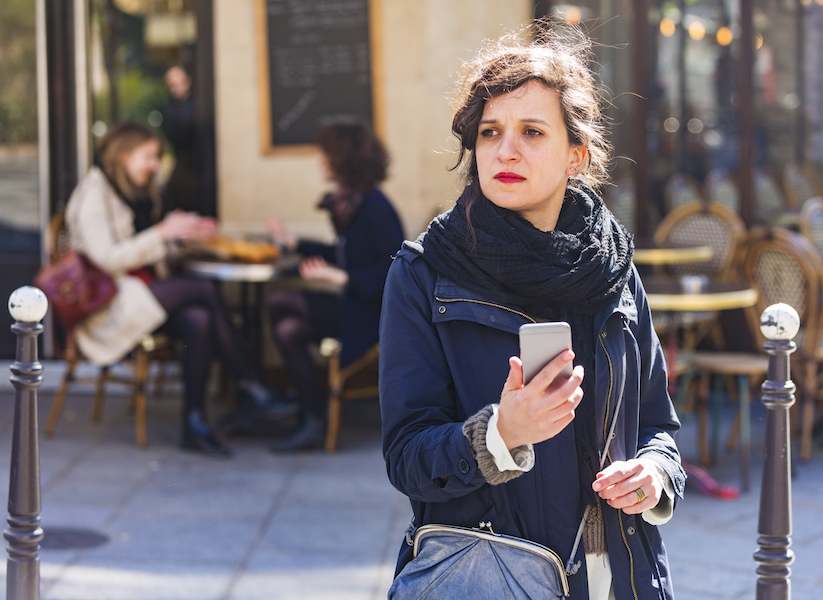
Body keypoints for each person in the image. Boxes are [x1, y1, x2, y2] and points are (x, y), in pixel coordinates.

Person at [379, 23, 685, 600]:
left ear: (577, 155)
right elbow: (407, 457)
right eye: (489, 132)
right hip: (492, 571)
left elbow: (657, 427)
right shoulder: (423, 274)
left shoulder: (614, 265)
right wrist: (500, 433)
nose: (506, 150)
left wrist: (654, 476)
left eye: (532, 131)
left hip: (617, 574)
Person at [65, 121, 297, 457]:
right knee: (202, 289)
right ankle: (248, 383)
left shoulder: (140, 192)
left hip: (141, 295)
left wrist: (184, 235)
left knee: (199, 319)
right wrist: (162, 233)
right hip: (109, 306)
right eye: (149, 157)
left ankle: (195, 423)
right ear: (124, 155)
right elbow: (105, 261)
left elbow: (149, 251)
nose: (155, 165)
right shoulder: (94, 195)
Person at [265, 118, 404, 452]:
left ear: (344, 158)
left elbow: (396, 270)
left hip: (368, 318)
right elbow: (344, 252)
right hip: (353, 307)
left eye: (326, 153)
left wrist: (343, 278)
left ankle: (307, 410)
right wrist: (295, 243)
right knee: (287, 328)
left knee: (280, 300)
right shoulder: (353, 203)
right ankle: (314, 414)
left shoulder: (374, 206)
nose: (321, 160)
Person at [161, 65, 200, 214]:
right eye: (172, 85)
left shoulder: (199, 104)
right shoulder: (169, 108)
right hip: (183, 164)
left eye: (179, 82)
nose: (176, 88)